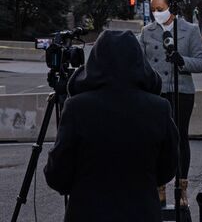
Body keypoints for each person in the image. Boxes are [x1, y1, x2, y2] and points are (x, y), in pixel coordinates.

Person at [44, 30, 179, 222]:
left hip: (87, 213)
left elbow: (58, 175)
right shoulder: (159, 108)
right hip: (142, 213)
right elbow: (167, 168)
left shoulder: (77, 108)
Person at [139, 0, 202, 208]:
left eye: (160, 9)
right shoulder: (146, 32)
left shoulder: (190, 30)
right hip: (155, 94)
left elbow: (201, 63)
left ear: (171, 7)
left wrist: (181, 61)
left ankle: (181, 188)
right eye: (153, 9)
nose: (156, 13)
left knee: (179, 139)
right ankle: (159, 187)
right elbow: (138, 63)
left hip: (182, 92)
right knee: (156, 140)